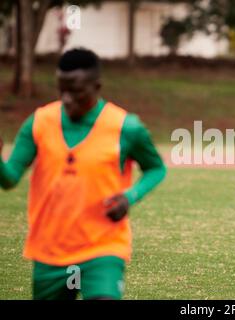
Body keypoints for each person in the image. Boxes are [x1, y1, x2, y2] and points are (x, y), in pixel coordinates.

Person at [0, 48, 166, 299]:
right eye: (61, 90)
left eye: (75, 91)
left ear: (96, 86)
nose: (67, 99)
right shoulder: (40, 122)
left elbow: (156, 168)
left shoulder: (126, 127)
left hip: (102, 247)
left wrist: (129, 197)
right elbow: (10, 178)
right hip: (50, 252)